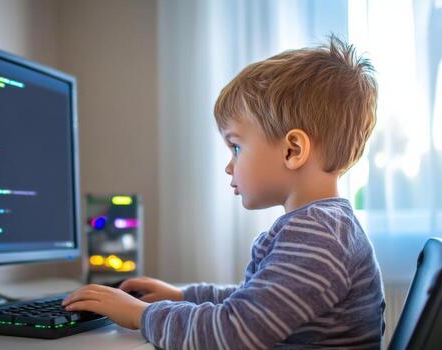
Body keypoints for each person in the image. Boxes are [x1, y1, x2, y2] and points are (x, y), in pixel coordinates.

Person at [62, 35, 385, 349]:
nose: (229, 166)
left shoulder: (316, 233)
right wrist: (182, 296)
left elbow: (235, 333)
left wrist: (141, 314)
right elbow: (256, 300)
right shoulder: (324, 225)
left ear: (292, 150)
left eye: (236, 147)